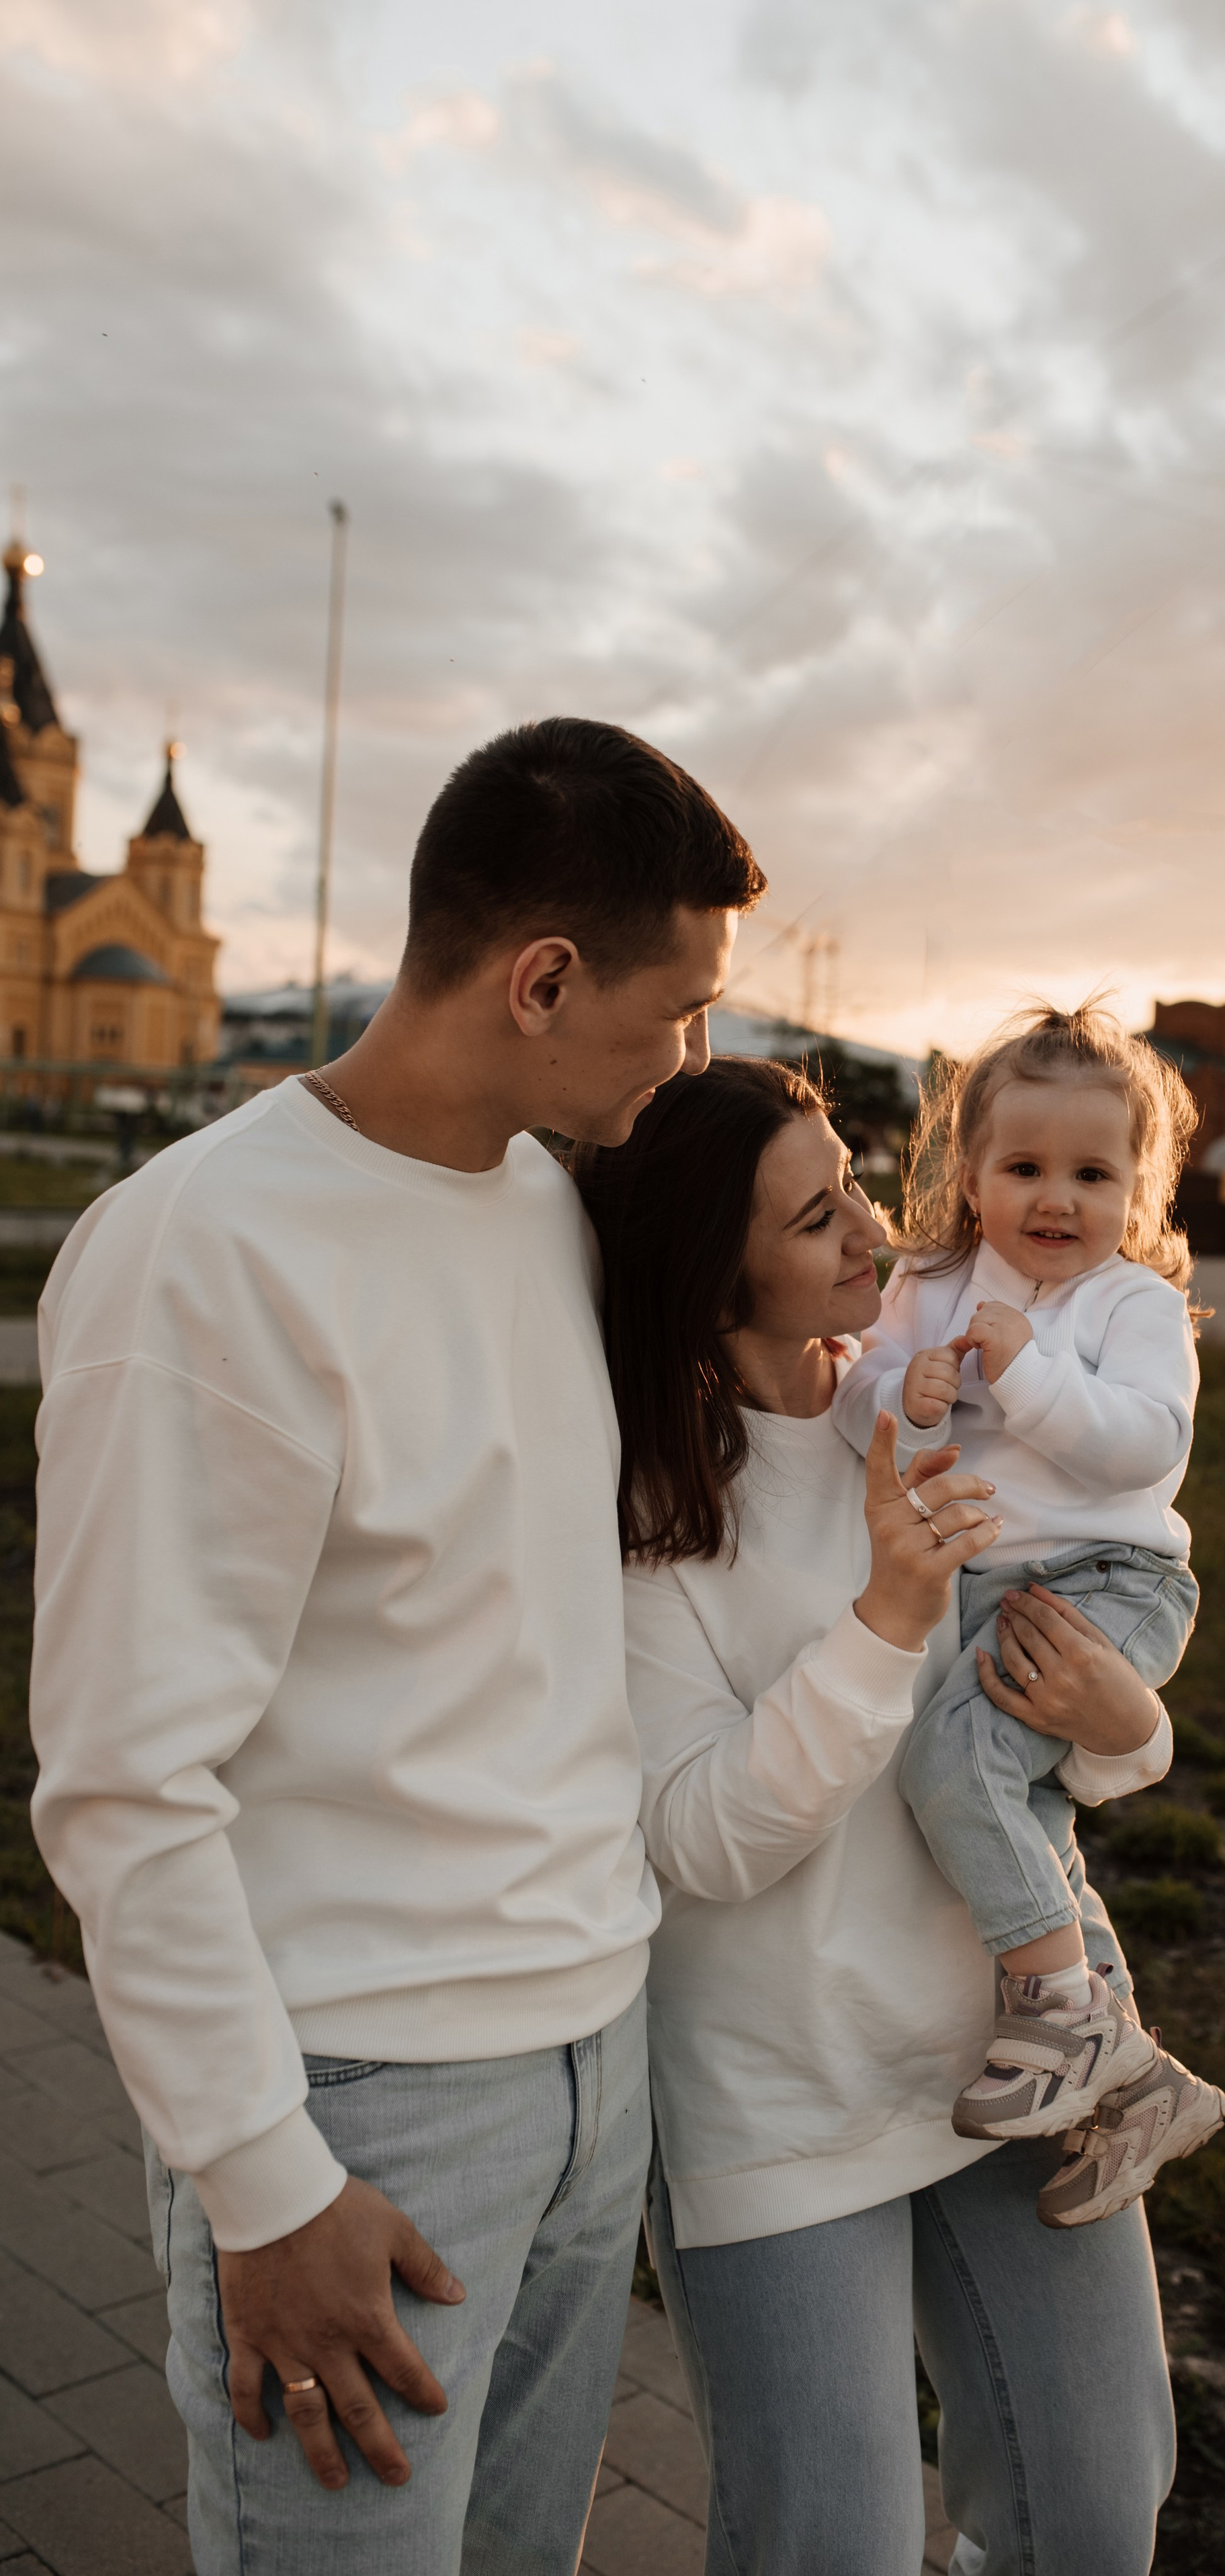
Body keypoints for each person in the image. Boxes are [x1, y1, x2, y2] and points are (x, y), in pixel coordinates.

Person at [30, 718, 763, 2575]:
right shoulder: (205, 1252)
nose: (691, 1060)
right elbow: (123, 1784)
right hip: (360, 2114)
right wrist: (265, 2185)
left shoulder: (546, 1201)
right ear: (542, 979)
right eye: (679, 1011)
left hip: (591, 2064)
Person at [581, 1057, 1180, 2576]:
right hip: (781, 2097)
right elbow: (696, 1836)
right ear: (714, 1267)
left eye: (850, 1179)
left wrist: (1131, 1733)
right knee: (827, 2547)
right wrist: (880, 1615)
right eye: (813, 1214)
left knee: (1096, 2521)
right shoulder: (647, 1506)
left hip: (1013, 2061)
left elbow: (1027, 1696)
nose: (870, 1227)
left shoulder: (919, 1413)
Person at [829, 1002, 1225, 2219]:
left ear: (1138, 1188)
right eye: (1026, 1168)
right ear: (971, 1171)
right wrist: (918, 1388)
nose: (1057, 1200)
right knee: (1021, 1812)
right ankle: (1142, 2076)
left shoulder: (1132, 1308)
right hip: (995, 1586)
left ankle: (1064, 2017)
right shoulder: (932, 1280)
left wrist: (1028, 1370)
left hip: (1113, 1584)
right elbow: (859, 1417)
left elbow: (1140, 1447)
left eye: (1093, 1174)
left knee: (955, 1768)